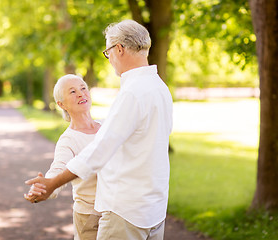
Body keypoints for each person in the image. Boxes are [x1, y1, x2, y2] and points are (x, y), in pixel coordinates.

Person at [25, 19, 173, 240]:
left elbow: (98, 151)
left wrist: (52, 184)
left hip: (126, 212)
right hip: (154, 208)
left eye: (108, 52)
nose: (110, 59)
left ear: (119, 49)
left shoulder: (132, 93)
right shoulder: (160, 88)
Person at [25, 74, 101, 239]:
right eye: (72, 91)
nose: (81, 94)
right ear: (61, 104)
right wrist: (45, 187)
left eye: (83, 88)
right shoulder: (68, 140)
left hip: (118, 211)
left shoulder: (107, 127)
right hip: (90, 217)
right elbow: (58, 169)